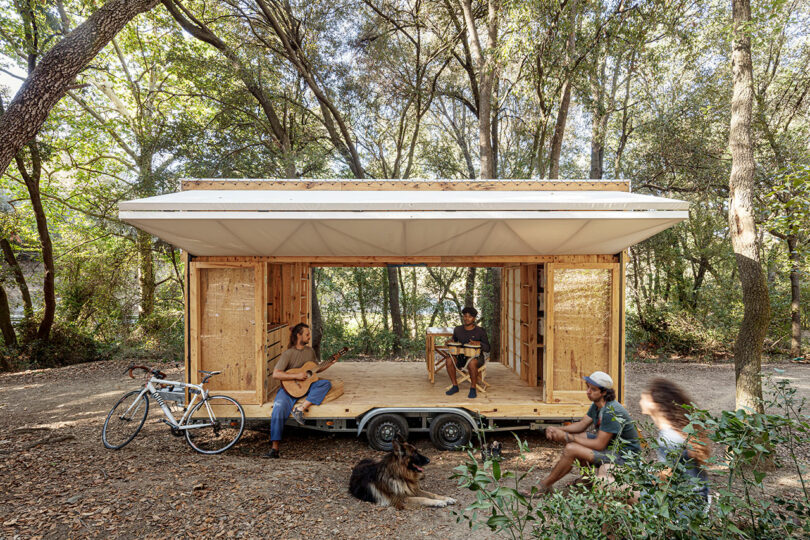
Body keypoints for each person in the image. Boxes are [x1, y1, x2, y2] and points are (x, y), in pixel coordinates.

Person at [537, 371, 640, 493]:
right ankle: (588, 479)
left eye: (593, 389)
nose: (588, 391)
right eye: (588, 387)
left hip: (624, 457)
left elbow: (599, 445)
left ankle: (545, 485)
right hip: (611, 448)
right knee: (579, 437)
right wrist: (558, 429)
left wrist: (567, 437)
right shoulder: (598, 404)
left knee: (571, 448)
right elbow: (582, 425)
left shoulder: (611, 411)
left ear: (604, 392)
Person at [264, 323, 334, 459]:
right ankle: (274, 448)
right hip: (289, 389)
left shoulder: (310, 351)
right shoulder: (288, 354)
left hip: (307, 387)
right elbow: (276, 374)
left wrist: (330, 362)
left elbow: (315, 369)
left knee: (325, 384)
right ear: (298, 335)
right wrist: (296, 376)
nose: (309, 336)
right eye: (307, 334)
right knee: (278, 408)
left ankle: (301, 409)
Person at [639, 378, 711, 503]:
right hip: (696, 498)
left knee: (613, 487)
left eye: (644, 396)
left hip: (684, 505)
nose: (641, 399)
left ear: (654, 403)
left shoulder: (669, 438)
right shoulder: (677, 431)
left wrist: (637, 476)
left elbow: (664, 480)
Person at [444, 306, 490, 399]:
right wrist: (450, 341)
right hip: (461, 357)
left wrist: (479, 343)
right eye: (465, 316)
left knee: (472, 363)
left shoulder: (480, 331)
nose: (467, 318)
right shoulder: (457, 329)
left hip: (476, 357)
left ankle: (473, 388)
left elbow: (488, 348)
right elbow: (455, 341)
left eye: (469, 316)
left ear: (474, 318)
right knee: (449, 360)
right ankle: (455, 386)